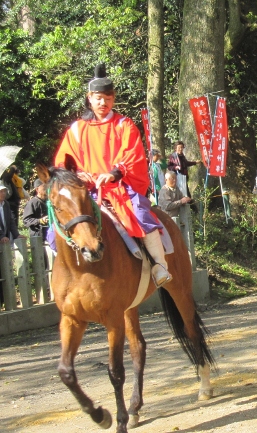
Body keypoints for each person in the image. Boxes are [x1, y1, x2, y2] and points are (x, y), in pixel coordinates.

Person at [53, 64, 172, 287]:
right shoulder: (77, 129)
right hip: (84, 189)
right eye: (98, 97)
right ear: (89, 98)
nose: (103, 102)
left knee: (140, 213)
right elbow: (62, 163)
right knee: (59, 222)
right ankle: (61, 273)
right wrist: (79, 175)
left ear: (113, 98)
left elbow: (133, 155)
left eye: (108, 97)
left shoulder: (124, 125)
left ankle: (159, 264)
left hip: (118, 187)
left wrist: (113, 173)